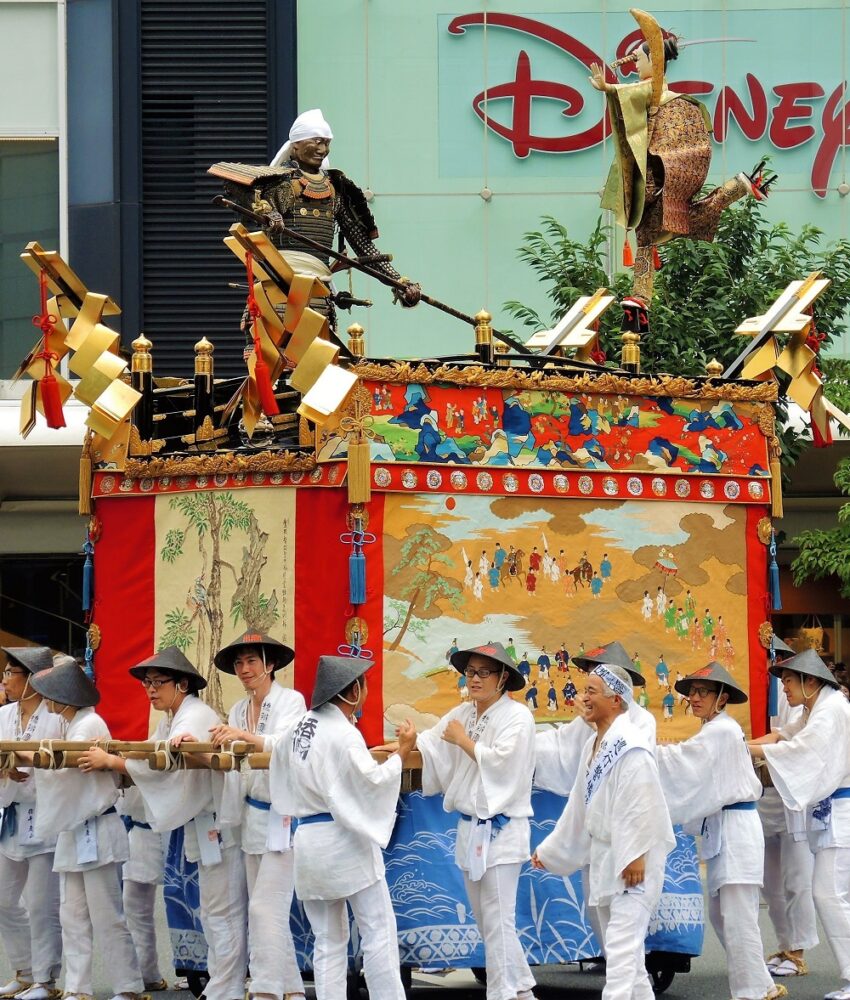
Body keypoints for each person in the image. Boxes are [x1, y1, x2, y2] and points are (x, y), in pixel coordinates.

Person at [79, 647, 248, 1000]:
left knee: (222, 909)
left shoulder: (193, 716)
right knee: (215, 909)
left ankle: (227, 987)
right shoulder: (172, 717)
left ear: (182, 684)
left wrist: (113, 760)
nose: (151, 690)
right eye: (148, 684)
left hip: (217, 824)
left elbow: (163, 763)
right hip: (203, 825)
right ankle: (222, 984)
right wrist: (117, 748)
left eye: (158, 682)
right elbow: (151, 749)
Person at [589, 34, 775, 310]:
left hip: (658, 166)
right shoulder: (661, 95)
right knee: (684, 221)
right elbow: (635, 97)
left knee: (647, 233)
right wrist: (612, 88)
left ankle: (642, 295)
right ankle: (736, 187)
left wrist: (609, 88)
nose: (635, 66)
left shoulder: (659, 94)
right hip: (659, 165)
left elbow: (635, 94)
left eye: (639, 60)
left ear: (655, 60)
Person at [269, 655, 414, 1000]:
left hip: (307, 840)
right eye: (362, 686)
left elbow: (275, 756)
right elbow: (372, 781)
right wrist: (403, 753)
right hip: (342, 840)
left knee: (328, 940)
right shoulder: (343, 734)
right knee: (378, 929)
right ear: (352, 692)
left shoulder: (298, 727)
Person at [532, 664, 675, 1000]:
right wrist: (552, 850)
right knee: (630, 961)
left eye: (591, 692)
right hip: (607, 859)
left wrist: (636, 856)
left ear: (615, 700)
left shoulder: (631, 746)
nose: (583, 698)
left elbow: (642, 803)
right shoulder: (593, 746)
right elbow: (578, 807)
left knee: (623, 958)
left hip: (632, 862)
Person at [214, 109, 420, 337]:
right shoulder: (277, 182)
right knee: (270, 368)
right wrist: (269, 213)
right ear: (296, 145)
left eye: (326, 143)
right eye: (316, 141)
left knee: (319, 368)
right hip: (276, 294)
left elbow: (364, 246)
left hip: (317, 297)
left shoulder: (337, 190)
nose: (322, 149)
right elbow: (243, 192)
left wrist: (398, 281)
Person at [411, 642, 537, 1000]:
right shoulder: (465, 713)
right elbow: (433, 741)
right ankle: (523, 989)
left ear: (502, 679)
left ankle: (500, 993)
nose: (475, 679)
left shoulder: (518, 718)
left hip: (502, 827)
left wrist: (464, 741)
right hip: (470, 829)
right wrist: (407, 743)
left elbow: (505, 765)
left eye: (484, 672)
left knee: (499, 920)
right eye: (470, 672)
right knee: (488, 921)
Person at [655, 663, 782, 1000]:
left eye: (703, 692)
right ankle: (760, 983)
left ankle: (751, 991)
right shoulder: (715, 729)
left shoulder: (721, 731)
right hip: (725, 827)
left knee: (737, 915)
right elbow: (691, 768)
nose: (694, 698)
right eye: (692, 692)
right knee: (723, 915)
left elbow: (684, 762)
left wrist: (646, 754)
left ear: (722, 697)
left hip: (737, 829)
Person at [29, 657, 146, 1000]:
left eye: (51, 693)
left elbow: (68, 777)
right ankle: (77, 987)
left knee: (107, 914)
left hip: (95, 825)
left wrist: (31, 763)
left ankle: (128, 986)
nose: (46, 699)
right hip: (74, 828)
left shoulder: (88, 724)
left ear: (64, 696)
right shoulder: (71, 725)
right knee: (73, 914)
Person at [210, 632, 307, 1000]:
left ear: (270, 664)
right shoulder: (238, 709)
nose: (244, 669)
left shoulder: (292, 701)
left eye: (251, 661)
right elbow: (234, 756)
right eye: (239, 663)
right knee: (263, 907)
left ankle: (265, 989)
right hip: (251, 815)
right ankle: (293, 990)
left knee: (267, 907)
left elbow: (288, 745)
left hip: (281, 817)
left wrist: (242, 736)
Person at [749, 649, 850, 1000]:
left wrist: (747, 750)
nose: (785, 689)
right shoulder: (817, 708)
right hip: (831, 813)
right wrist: (742, 745)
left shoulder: (831, 709)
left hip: (841, 811)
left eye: (788, 681)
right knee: (832, 894)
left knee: (827, 893)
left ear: (809, 681)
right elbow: (783, 737)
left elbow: (800, 750)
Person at [0, 647, 63, 1000]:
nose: (5, 680)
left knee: (41, 904)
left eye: (11, 673)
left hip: (44, 815)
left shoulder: (54, 715)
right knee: (3, 899)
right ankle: (23, 971)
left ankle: (45, 980)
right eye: (6, 673)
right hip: (11, 815)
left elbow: (63, 763)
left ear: (32, 680)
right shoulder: (4, 715)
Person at [758, 637, 818, 979]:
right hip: (763, 792)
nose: (778, 673)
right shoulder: (762, 687)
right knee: (770, 881)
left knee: (797, 878)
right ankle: (784, 944)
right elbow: (773, 736)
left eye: (780, 664)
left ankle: (798, 951)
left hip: (793, 795)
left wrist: (754, 749)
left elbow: (790, 742)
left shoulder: (798, 696)